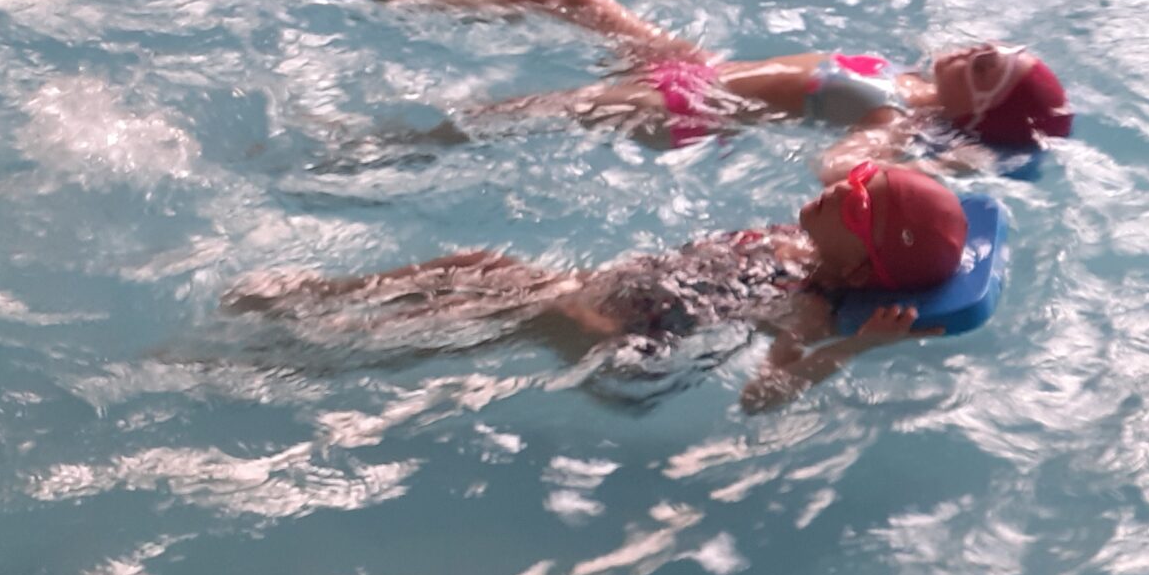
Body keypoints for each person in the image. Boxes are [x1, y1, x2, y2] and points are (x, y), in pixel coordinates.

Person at [228, 160, 969, 410]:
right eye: (860, 180)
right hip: (609, 294)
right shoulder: (795, 242)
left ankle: (323, 347)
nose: (842, 189)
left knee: (523, 308)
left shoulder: (807, 305)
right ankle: (320, 296)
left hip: (626, 346)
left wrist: (854, 350)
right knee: (484, 265)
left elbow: (761, 397)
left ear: (859, 267)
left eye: (859, 205)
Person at [354, 0, 1072, 167]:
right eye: (984, 48)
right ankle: (403, 0)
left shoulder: (896, 119)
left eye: (983, 67)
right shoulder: (912, 80)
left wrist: (927, 165)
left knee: (513, 114)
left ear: (977, 107)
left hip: (680, 108)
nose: (971, 51)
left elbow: (839, 168)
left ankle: (383, 146)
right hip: (694, 68)